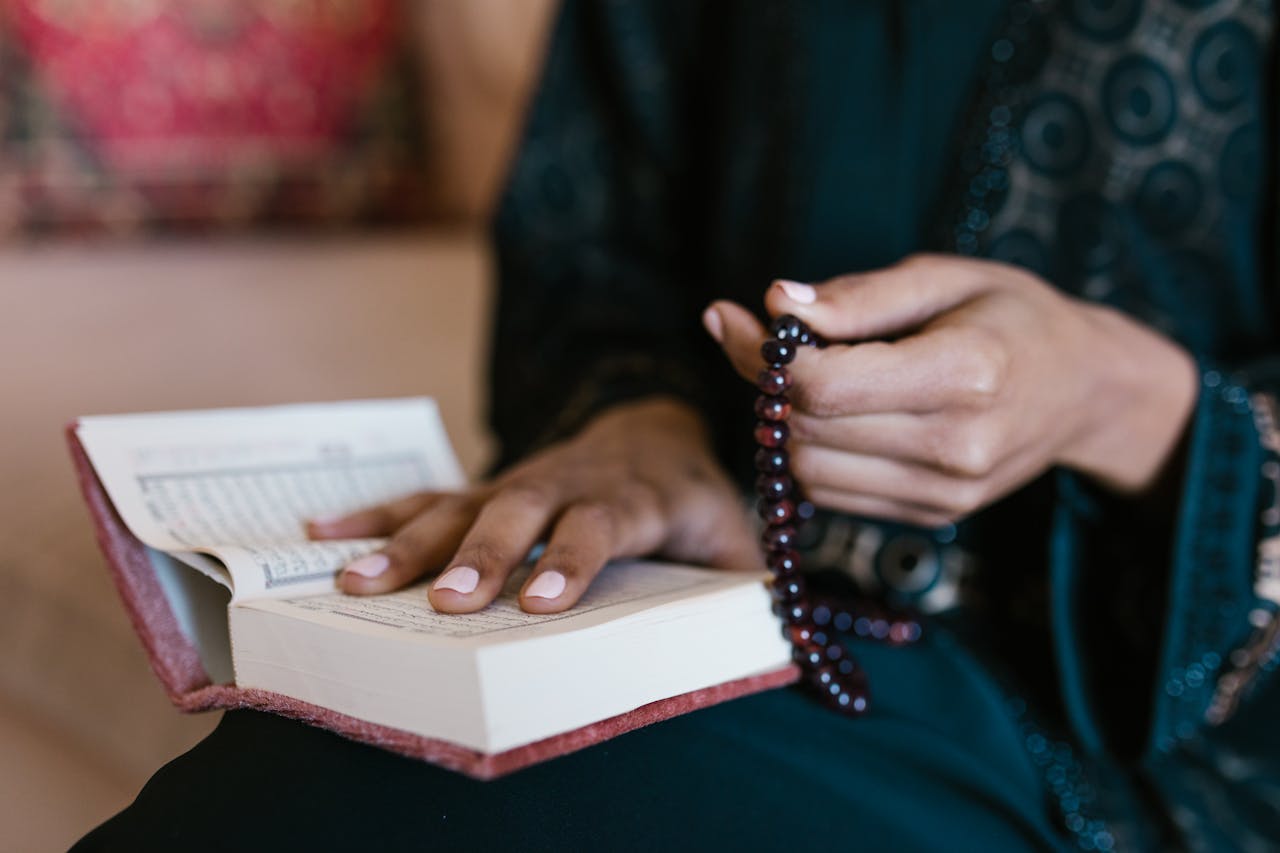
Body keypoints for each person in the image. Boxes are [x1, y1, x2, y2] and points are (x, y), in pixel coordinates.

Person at [77, 1, 1279, 850]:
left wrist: (1121, 398)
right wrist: (637, 421)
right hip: (701, 612)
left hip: (1146, 754)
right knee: (311, 791)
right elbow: (589, 243)